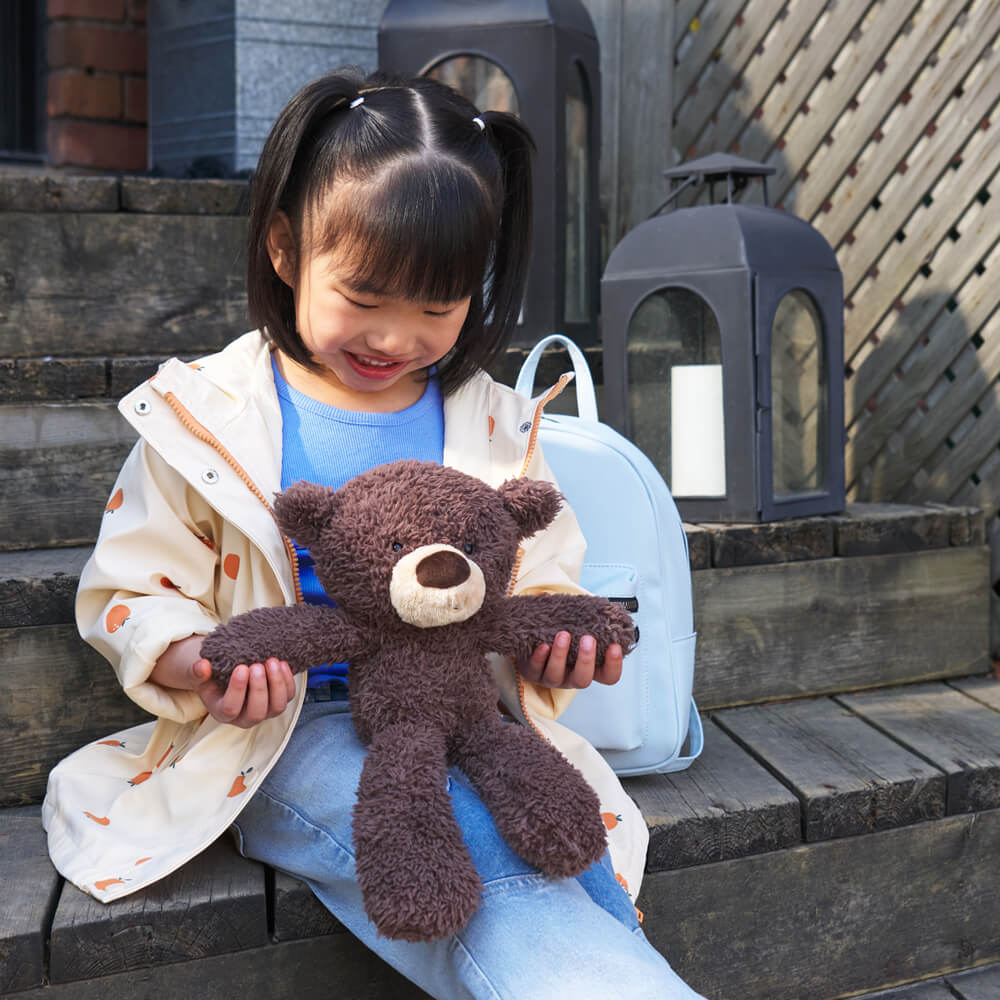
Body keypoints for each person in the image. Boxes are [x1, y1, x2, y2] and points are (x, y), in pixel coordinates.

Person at [42, 68, 706, 1000]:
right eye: (364, 295)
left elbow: (542, 577)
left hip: (469, 711)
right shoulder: (206, 420)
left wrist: (560, 641)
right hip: (285, 734)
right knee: (468, 848)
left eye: (436, 309)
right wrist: (202, 662)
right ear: (284, 249)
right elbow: (132, 589)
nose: (394, 337)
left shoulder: (495, 425)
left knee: (562, 845)